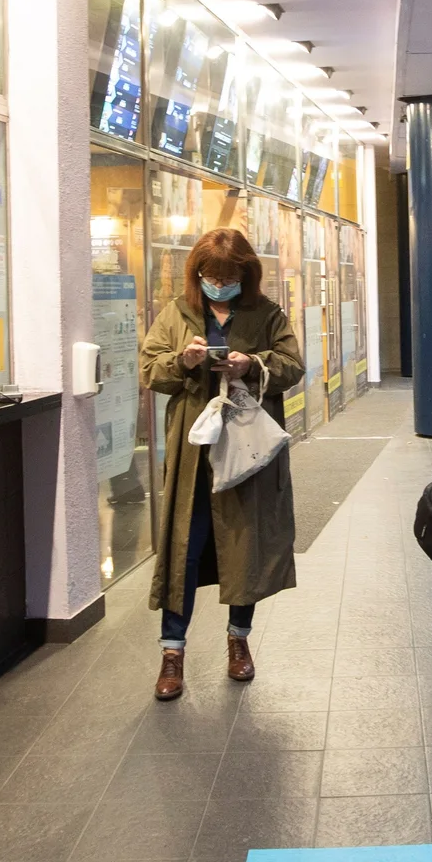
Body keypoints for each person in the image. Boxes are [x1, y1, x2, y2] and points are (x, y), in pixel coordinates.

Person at [140, 228, 304, 699]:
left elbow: (292, 366)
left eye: (230, 276)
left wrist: (249, 365)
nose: (219, 283)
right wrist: (185, 361)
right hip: (194, 451)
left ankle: (239, 642)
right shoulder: (176, 312)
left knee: (244, 545)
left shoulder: (266, 314)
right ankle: (173, 654)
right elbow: (150, 370)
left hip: (247, 450)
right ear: (197, 273)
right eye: (211, 275)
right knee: (184, 549)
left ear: (246, 275)